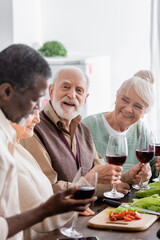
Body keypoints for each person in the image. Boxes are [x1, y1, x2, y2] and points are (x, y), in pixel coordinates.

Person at [0, 44, 96, 240]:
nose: (37, 112)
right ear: (6, 92)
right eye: (34, 100)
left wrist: (58, 206)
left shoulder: (12, 141)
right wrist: (47, 210)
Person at [21, 67, 146, 199]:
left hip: (89, 213)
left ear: (85, 98)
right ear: (51, 90)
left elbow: (102, 174)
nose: (71, 95)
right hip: (61, 218)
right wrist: (89, 183)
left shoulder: (83, 129)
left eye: (79, 90)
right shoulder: (34, 130)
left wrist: (127, 177)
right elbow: (47, 190)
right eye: (65, 87)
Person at [83, 70, 157, 181]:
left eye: (137, 106)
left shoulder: (142, 131)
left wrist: (148, 173)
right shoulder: (87, 127)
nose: (128, 109)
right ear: (116, 96)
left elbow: (155, 172)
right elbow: (79, 178)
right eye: (125, 100)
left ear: (144, 113)